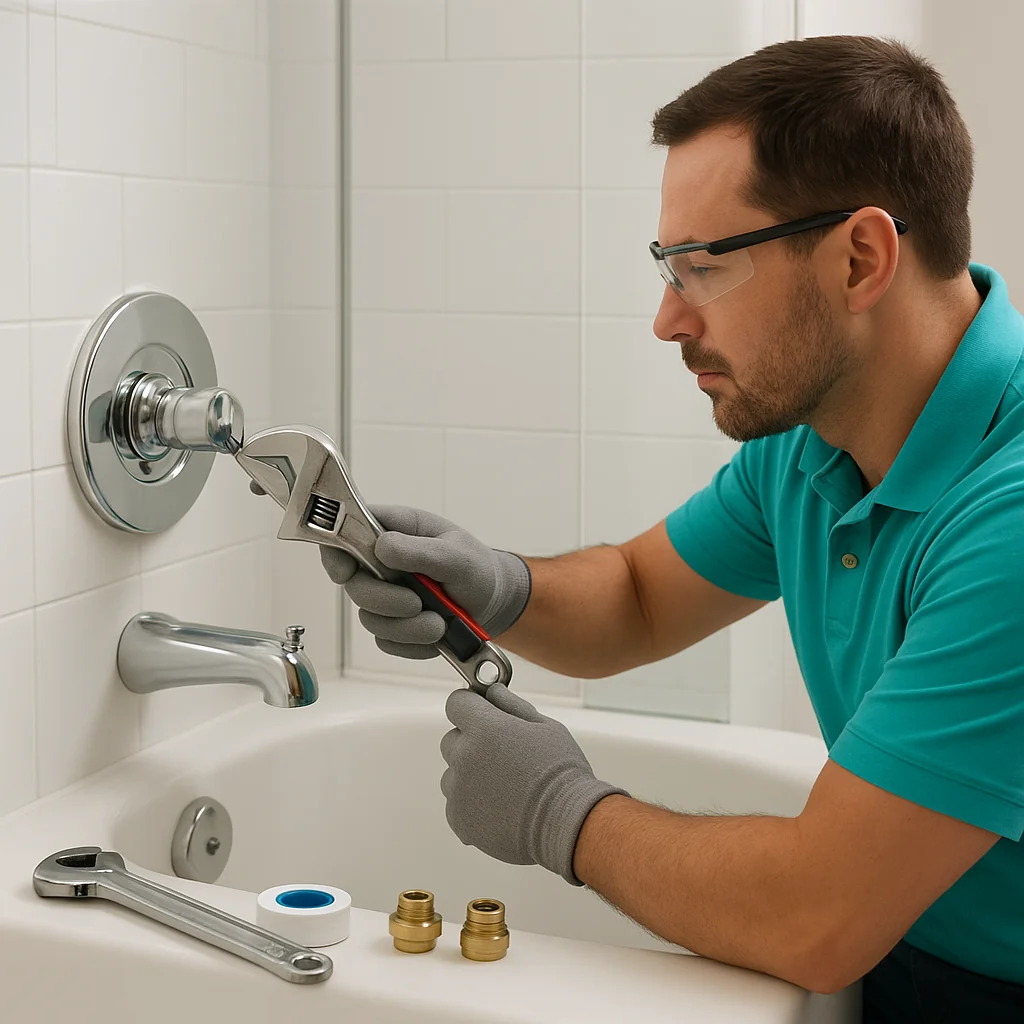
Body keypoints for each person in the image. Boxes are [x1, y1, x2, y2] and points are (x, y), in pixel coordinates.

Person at [322, 35, 1024, 1021]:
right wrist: (491, 586)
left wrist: (562, 813)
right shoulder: (816, 438)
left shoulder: (1009, 518)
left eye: (700, 267)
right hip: (910, 949)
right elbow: (641, 597)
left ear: (860, 257)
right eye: (666, 265)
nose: (665, 319)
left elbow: (818, 914)